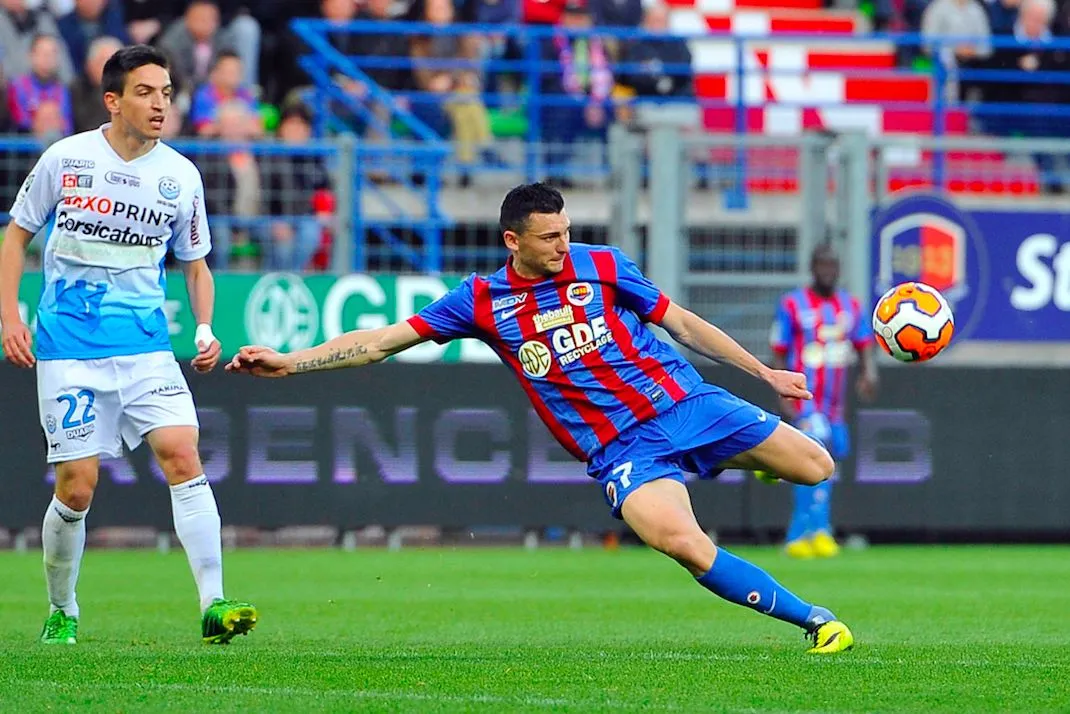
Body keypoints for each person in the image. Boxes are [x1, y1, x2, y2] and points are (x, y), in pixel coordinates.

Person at [227, 183, 855, 654]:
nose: (564, 244)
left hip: (687, 404)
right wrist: (290, 363)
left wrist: (765, 375)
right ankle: (815, 621)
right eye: (550, 236)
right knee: (684, 545)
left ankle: (742, 461)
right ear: (513, 240)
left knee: (816, 467)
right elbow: (382, 340)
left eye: (567, 231)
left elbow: (681, 322)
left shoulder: (603, 264)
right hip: (622, 450)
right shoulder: (480, 300)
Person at [0, 44, 257, 646]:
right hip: (68, 349)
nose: (160, 103)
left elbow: (196, 264)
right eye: (145, 92)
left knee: (182, 454)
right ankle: (62, 606)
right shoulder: (66, 159)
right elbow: (14, 239)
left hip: (145, 349)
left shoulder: (180, 175)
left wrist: (203, 326)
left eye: (166, 92)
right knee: (77, 486)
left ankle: (213, 604)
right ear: (112, 100)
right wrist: (9, 315)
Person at [767, 244, 878, 559]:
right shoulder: (792, 304)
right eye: (822, 265)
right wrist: (781, 392)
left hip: (836, 406)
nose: (827, 271)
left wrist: (868, 373)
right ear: (812, 268)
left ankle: (810, 531)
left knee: (829, 462)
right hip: (806, 400)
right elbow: (778, 349)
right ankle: (809, 533)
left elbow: (864, 344)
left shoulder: (850, 306)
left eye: (833, 265)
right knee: (814, 456)